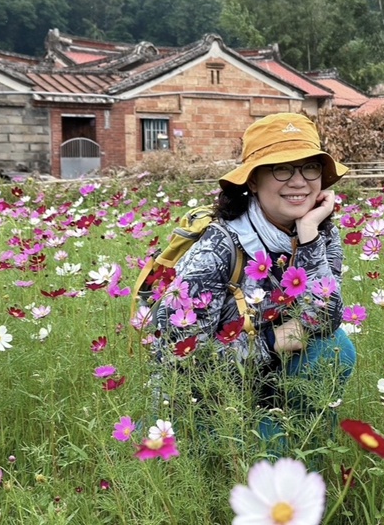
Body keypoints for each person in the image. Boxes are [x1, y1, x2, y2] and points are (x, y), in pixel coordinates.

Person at [152, 112, 356, 445]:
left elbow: (326, 320)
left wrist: (308, 235)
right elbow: (180, 359)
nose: (299, 182)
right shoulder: (218, 247)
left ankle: (304, 445)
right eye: (281, 168)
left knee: (336, 348)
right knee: (271, 453)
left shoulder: (319, 232)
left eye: (310, 167)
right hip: (206, 402)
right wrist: (270, 342)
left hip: (270, 382)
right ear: (252, 181)